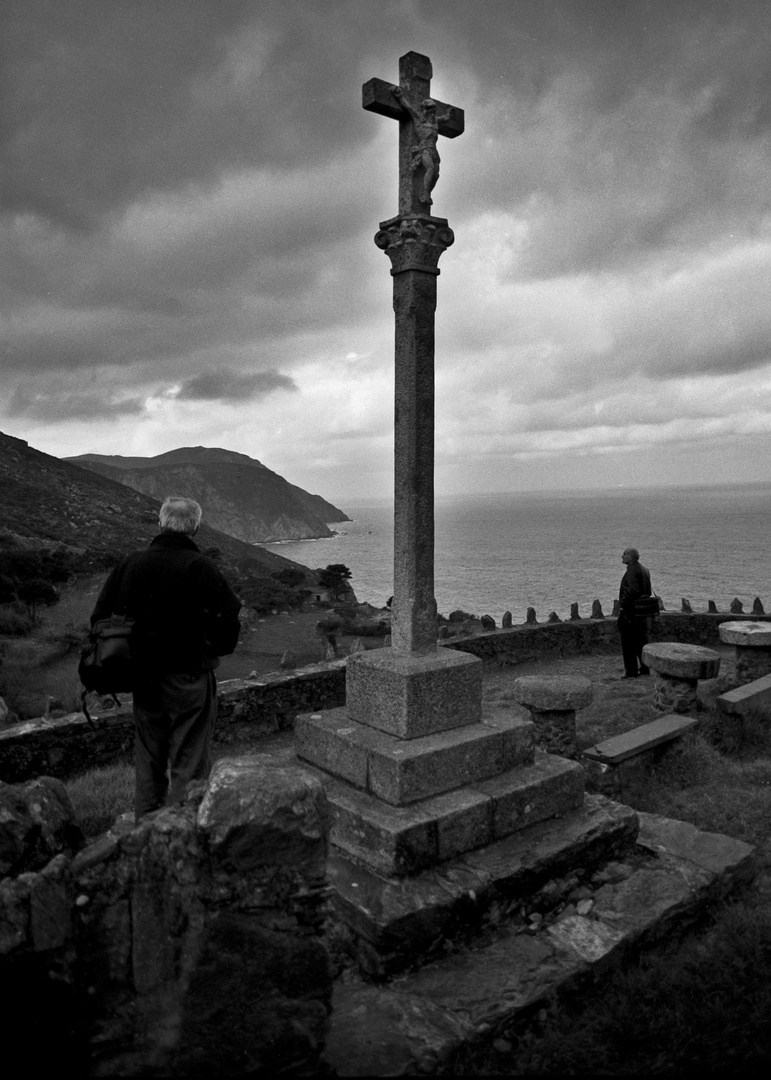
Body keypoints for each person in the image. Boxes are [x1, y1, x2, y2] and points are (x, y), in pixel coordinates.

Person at [90, 495, 241, 820]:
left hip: (142, 676)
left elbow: (100, 618)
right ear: (196, 528)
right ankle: (181, 833)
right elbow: (229, 614)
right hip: (188, 676)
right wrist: (214, 647)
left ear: (161, 523)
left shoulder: (131, 562)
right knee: (189, 757)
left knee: (149, 758)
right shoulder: (200, 566)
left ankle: (146, 830)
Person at [618, 547, 653, 678]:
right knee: (640, 642)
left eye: (624, 554)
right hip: (641, 613)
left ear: (631, 557)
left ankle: (631, 671)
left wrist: (623, 606)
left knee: (627, 643)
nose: (622, 556)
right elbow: (647, 592)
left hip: (630, 613)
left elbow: (631, 591)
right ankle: (645, 668)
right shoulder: (644, 570)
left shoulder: (632, 571)